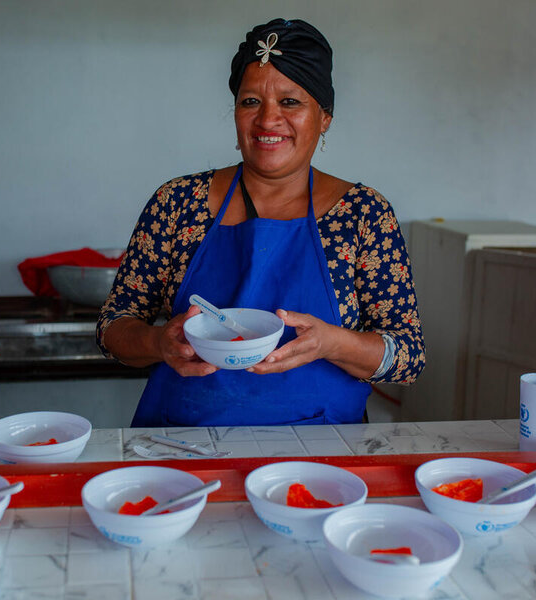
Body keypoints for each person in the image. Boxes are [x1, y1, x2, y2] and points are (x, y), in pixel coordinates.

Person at [97, 18, 425, 427]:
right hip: (183, 447)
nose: (268, 120)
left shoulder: (362, 215)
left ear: (324, 117)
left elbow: (407, 357)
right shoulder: (177, 203)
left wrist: (331, 343)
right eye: (251, 101)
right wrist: (157, 342)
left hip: (322, 458)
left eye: (290, 102)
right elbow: (112, 327)